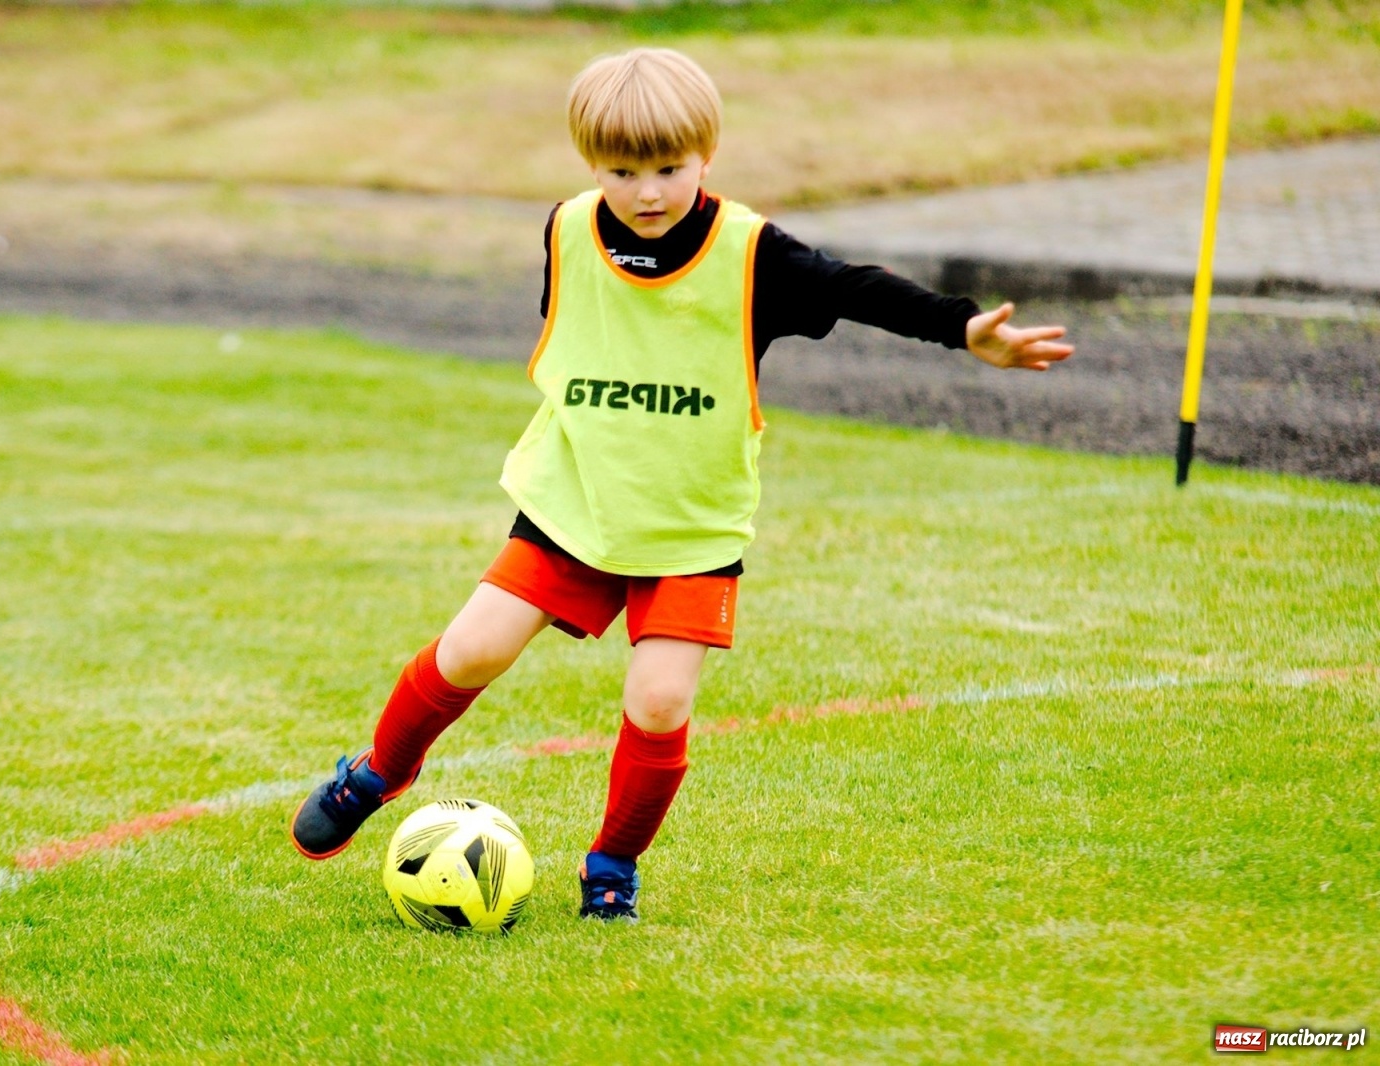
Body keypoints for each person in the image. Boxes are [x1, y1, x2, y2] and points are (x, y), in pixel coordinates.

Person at [291, 47, 1073, 922]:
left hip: (691, 523)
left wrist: (963, 328)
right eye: (623, 171)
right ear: (591, 165)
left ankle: (611, 867)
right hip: (575, 500)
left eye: (670, 167)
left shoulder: (751, 255)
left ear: (708, 156)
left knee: (659, 703)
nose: (649, 190)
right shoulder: (568, 230)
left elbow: (855, 290)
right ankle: (378, 773)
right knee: (473, 648)